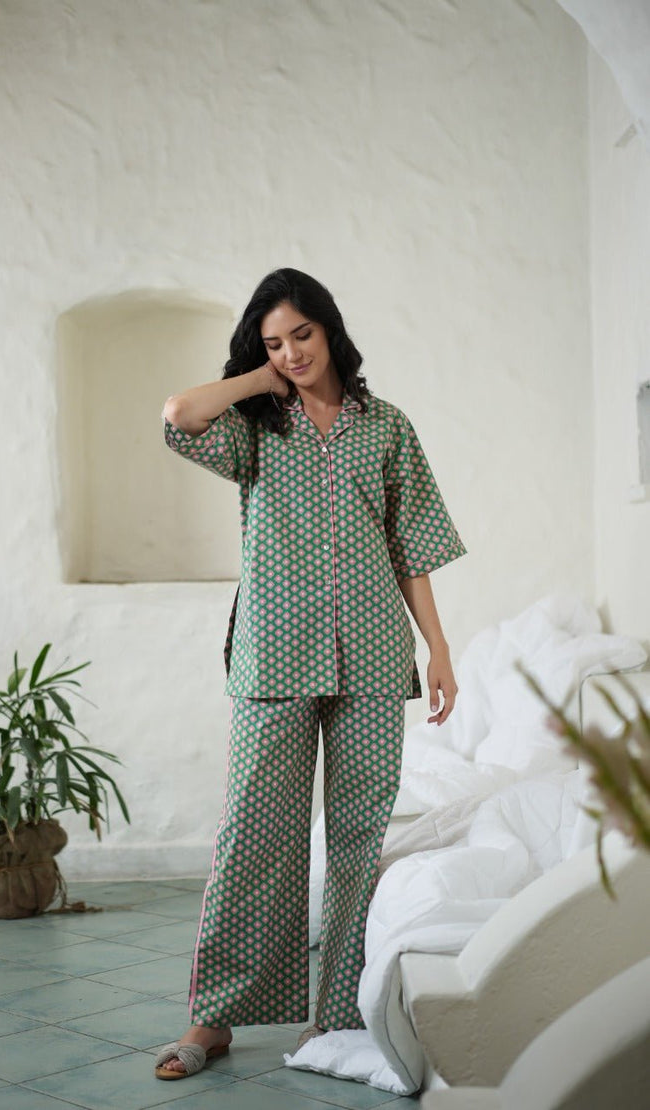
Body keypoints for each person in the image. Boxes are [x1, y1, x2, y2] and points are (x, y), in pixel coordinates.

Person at [154, 268, 467, 1081]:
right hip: (275, 655)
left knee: (360, 840)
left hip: (373, 653)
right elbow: (179, 414)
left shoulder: (386, 427)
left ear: (329, 329)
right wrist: (259, 379)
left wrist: (437, 647)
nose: (292, 352)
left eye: (302, 335)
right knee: (254, 834)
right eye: (274, 342)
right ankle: (215, 1017)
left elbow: (412, 546)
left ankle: (338, 1016)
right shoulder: (253, 427)